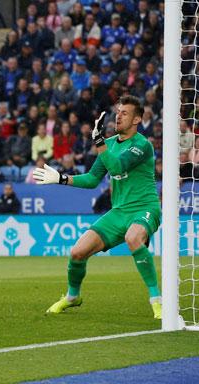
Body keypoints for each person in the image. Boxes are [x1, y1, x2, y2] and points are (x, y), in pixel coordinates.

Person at [32, 96, 162, 319]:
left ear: (137, 119)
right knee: (77, 253)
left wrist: (99, 142)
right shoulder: (109, 144)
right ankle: (73, 297)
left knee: (133, 238)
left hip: (144, 207)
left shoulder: (142, 145)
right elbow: (93, 179)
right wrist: (61, 178)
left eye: (125, 113)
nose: (118, 116)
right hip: (118, 212)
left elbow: (117, 166)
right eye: (118, 111)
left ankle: (156, 299)